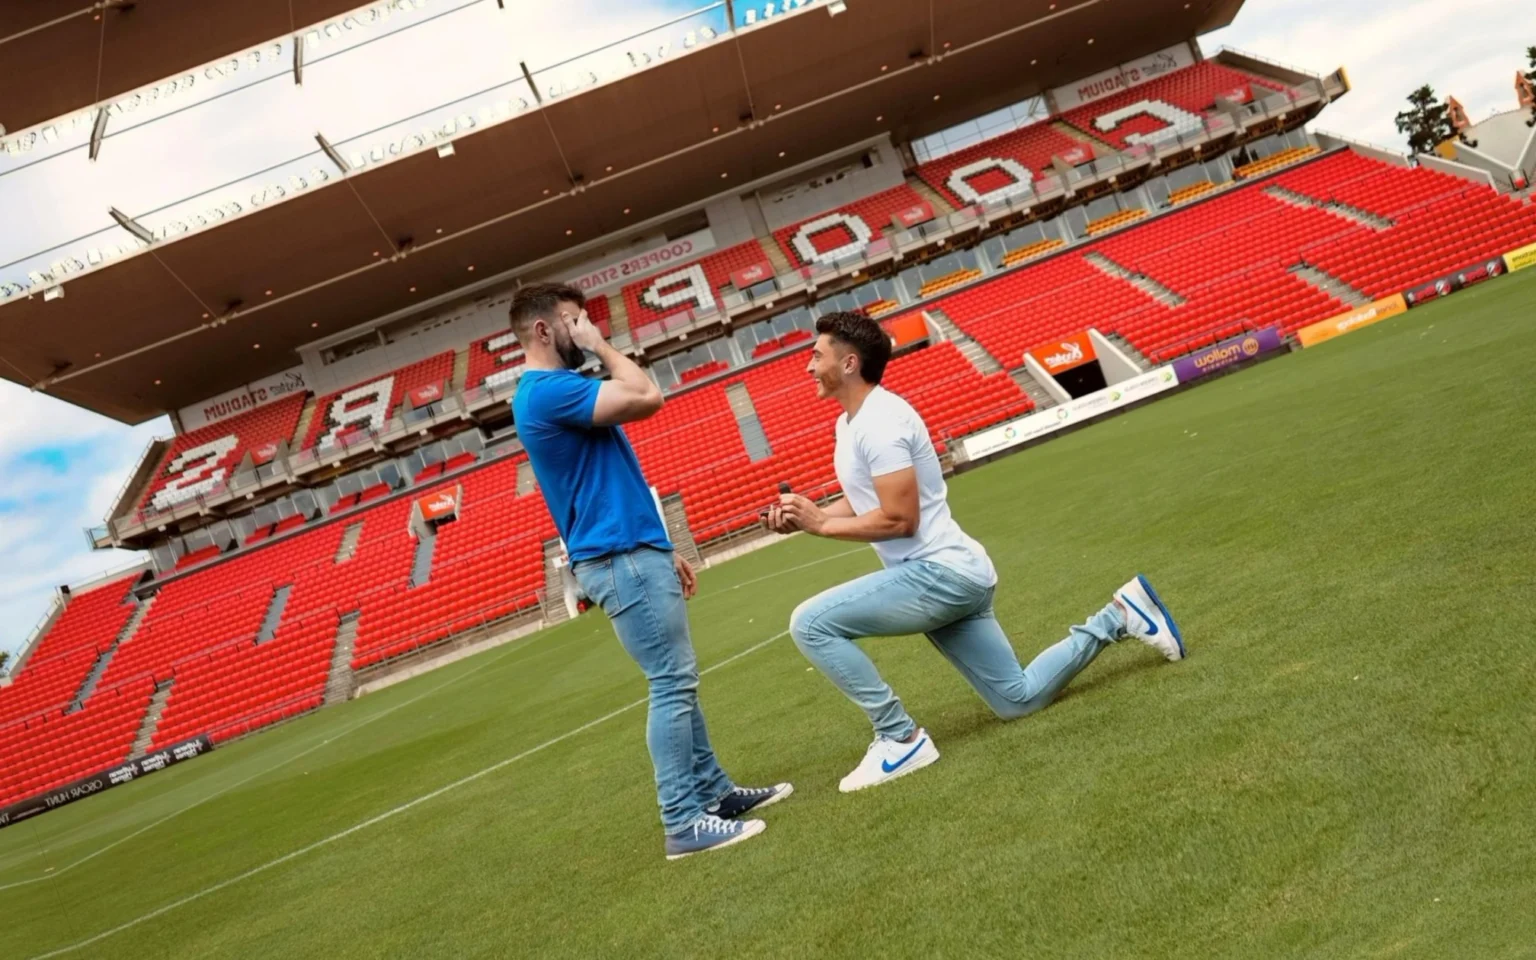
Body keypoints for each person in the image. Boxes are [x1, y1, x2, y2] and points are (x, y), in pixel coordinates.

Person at [764, 312, 1185, 793]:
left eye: (816, 356)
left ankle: (899, 739)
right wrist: (807, 514)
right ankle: (1120, 615)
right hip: (951, 577)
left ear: (849, 364)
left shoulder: (882, 422)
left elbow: (900, 519)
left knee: (810, 623)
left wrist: (821, 524)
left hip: (939, 575)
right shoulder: (851, 424)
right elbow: (867, 500)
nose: (808, 367)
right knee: (1018, 700)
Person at [510, 282, 791, 859]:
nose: (582, 328)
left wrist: (662, 549)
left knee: (678, 678)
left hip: (633, 551)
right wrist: (603, 345)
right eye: (572, 320)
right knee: (671, 682)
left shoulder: (554, 391)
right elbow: (648, 394)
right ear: (543, 330)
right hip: (620, 557)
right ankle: (683, 821)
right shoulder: (547, 391)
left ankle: (713, 794)